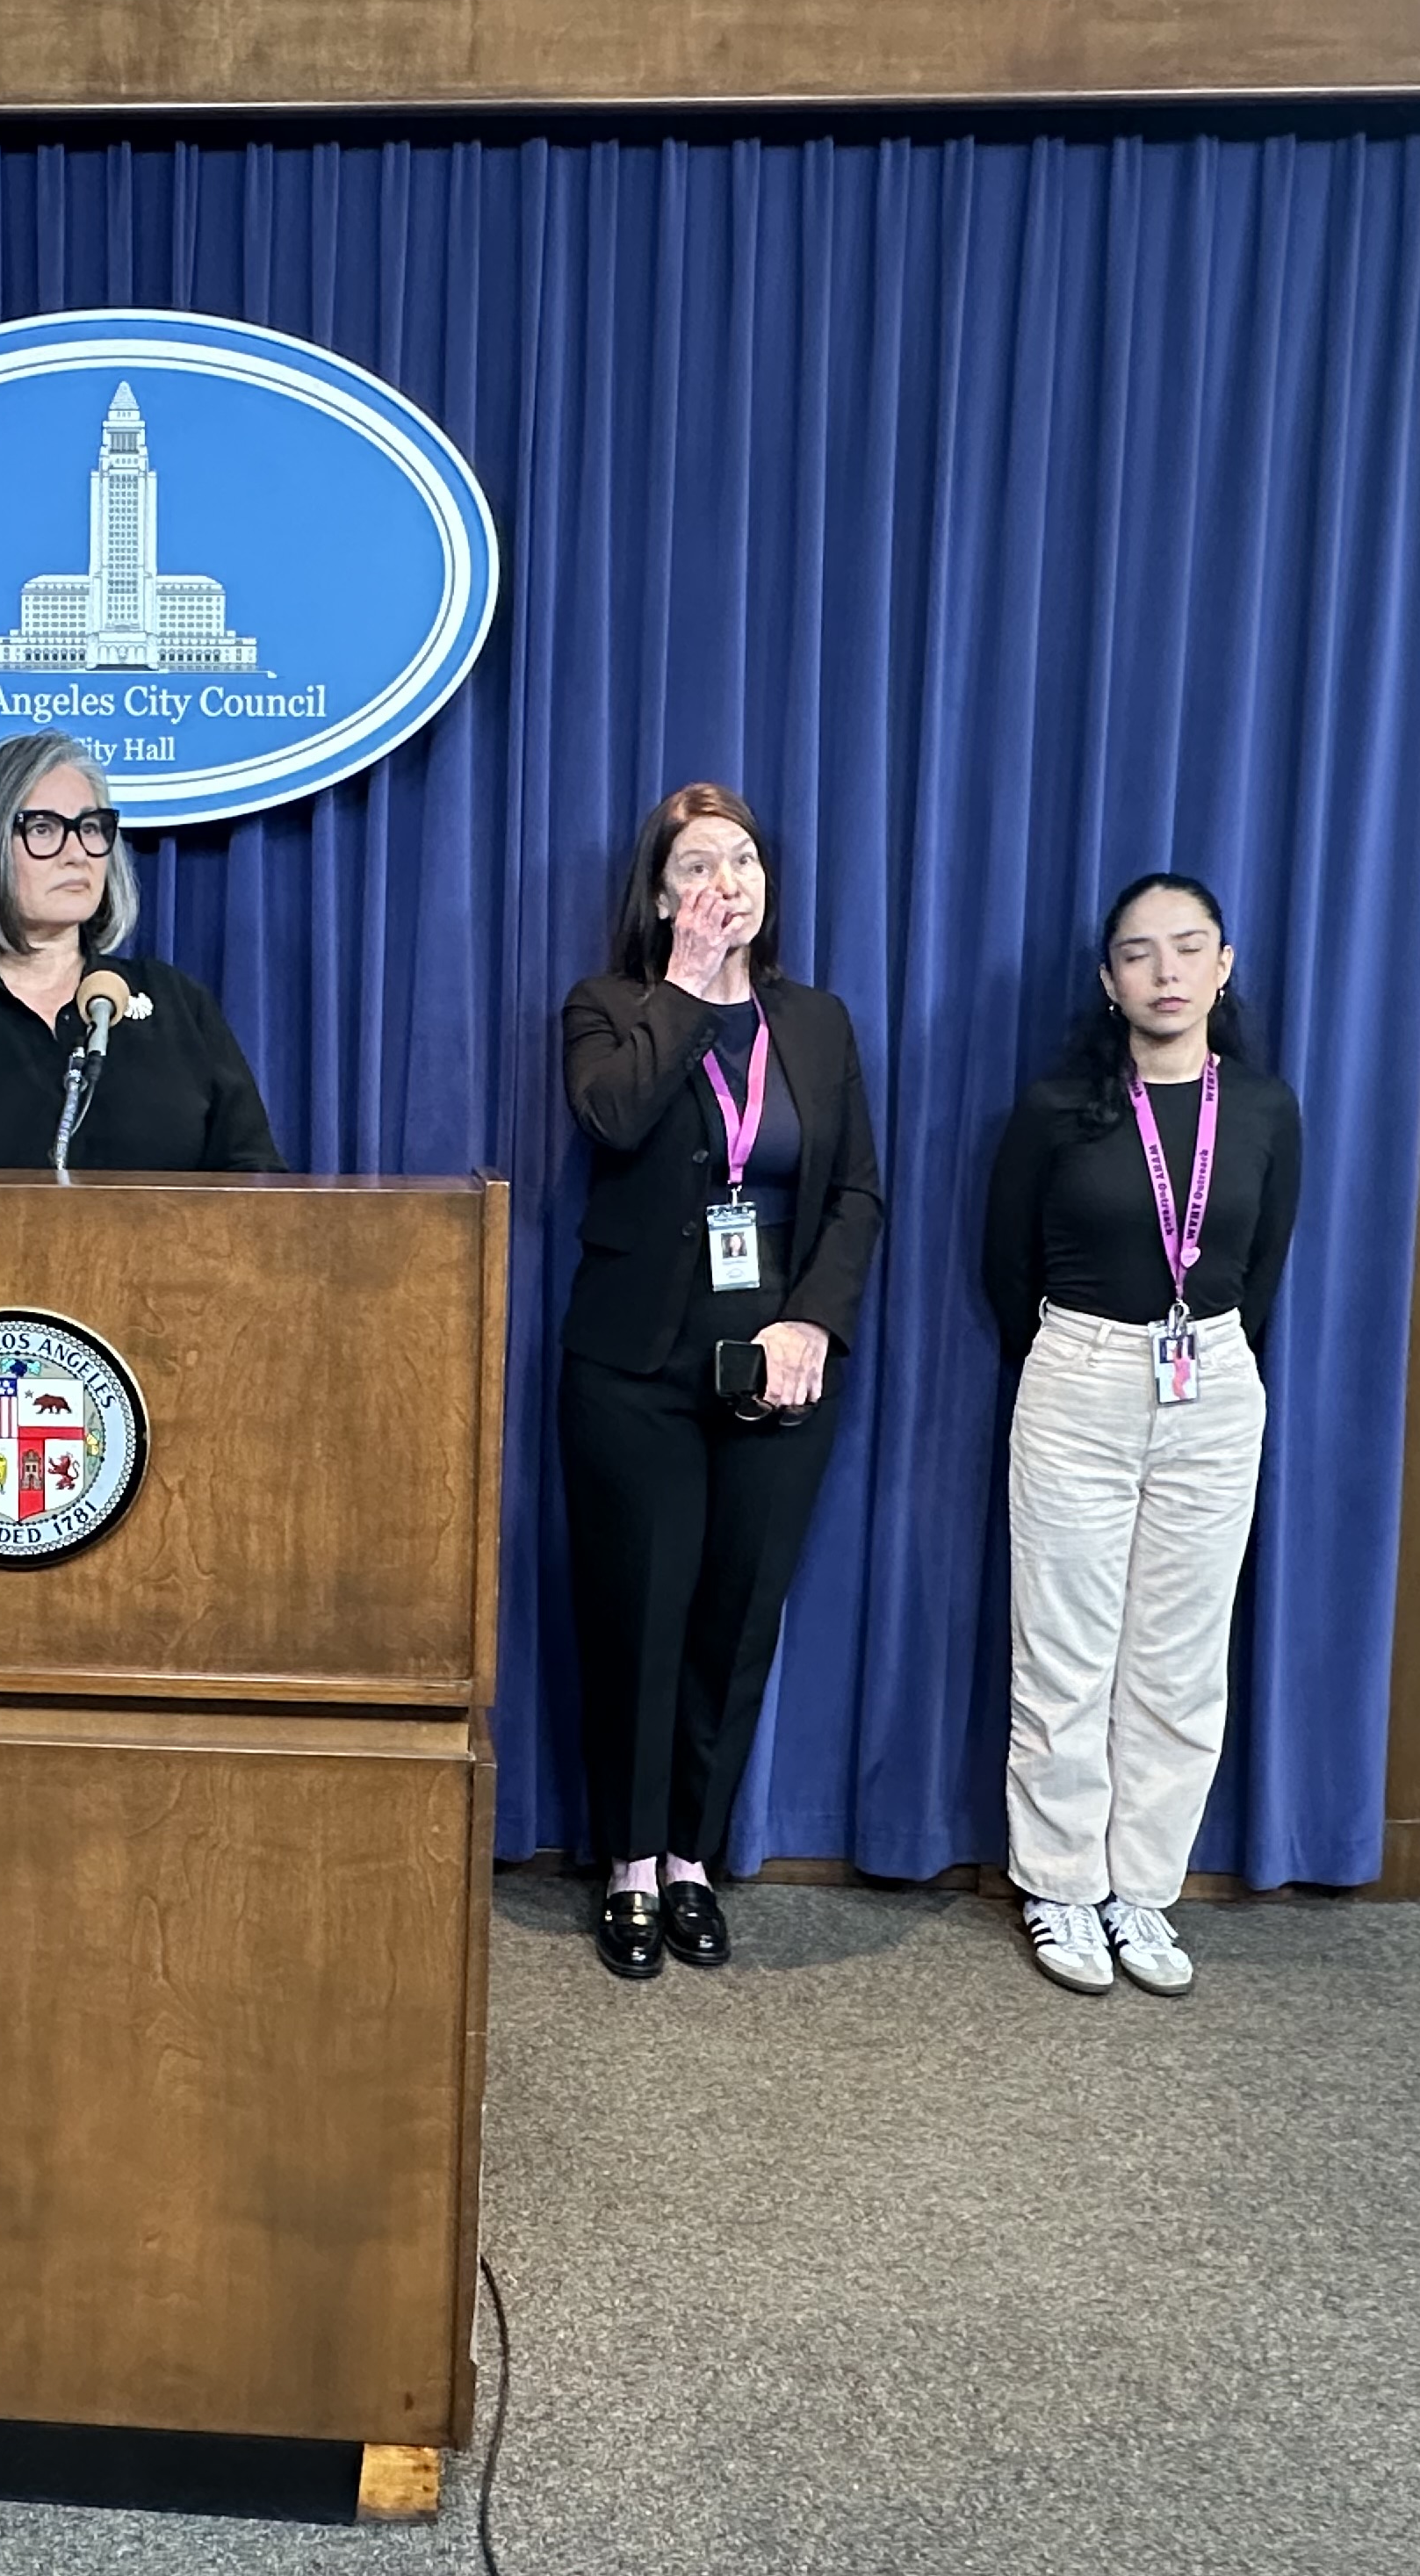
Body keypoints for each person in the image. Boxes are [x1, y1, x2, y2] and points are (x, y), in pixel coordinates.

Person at [559, 783, 883, 1981]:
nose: (726, 885)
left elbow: (855, 1192)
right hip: (633, 1368)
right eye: (697, 866)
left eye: (742, 862)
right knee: (641, 1618)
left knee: (736, 1620)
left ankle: (694, 1856)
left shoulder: (820, 1023)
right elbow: (615, 1120)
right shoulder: (607, 1010)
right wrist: (689, 989)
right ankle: (630, 1864)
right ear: (658, 895)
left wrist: (815, 1327)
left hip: (778, 1368)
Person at [982, 872, 1301, 1998]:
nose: (1165, 974)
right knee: (1064, 1652)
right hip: (1077, 1375)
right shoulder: (1056, 1108)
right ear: (1109, 981)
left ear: (1225, 966)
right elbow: (1004, 1267)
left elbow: (1261, 1273)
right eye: (1138, 954)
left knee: (1178, 1660)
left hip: (1213, 1382)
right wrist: (1093, 1359)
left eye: (1187, 949)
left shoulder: (1261, 1109)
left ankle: (1142, 1893)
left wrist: (1203, 1353)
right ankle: (1061, 1886)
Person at [0, 732, 285, 1173]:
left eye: (90, 828)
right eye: (43, 829)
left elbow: (257, 1184)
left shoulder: (176, 1006)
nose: (77, 854)